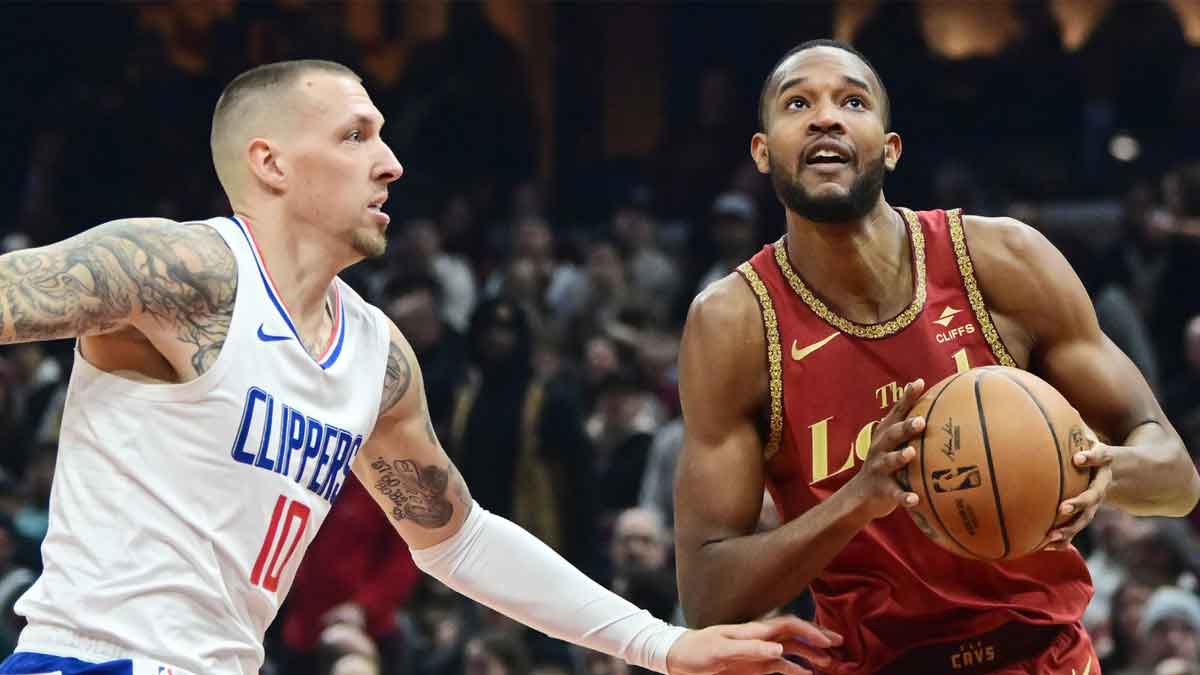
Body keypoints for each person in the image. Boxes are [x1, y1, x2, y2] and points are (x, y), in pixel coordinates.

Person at [0, 60, 840, 675]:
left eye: (384, 136)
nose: (391, 161)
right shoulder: (181, 271)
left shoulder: (375, 352)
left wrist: (663, 643)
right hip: (94, 659)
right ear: (271, 163)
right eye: (356, 135)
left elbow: (459, 538)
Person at [674, 39, 1200, 675]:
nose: (825, 117)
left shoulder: (1001, 261)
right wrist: (856, 500)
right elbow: (706, 595)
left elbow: (1177, 476)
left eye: (851, 100)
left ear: (890, 148)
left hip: (1046, 655)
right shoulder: (734, 324)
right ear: (762, 153)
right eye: (797, 103)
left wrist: (1100, 474)